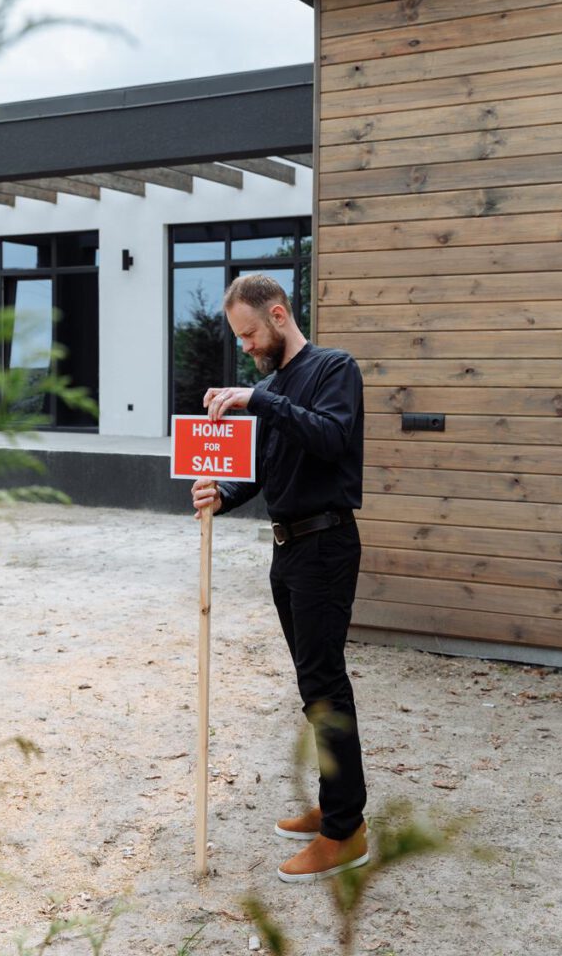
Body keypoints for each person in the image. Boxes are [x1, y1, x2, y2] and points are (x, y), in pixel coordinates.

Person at [190, 273, 368, 884]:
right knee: (312, 685)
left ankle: (347, 831)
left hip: (327, 544)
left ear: (278, 312)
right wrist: (220, 495)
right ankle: (335, 804)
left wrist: (260, 401)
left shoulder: (334, 369)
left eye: (249, 333)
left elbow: (330, 437)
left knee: (325, 684)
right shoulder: (272, 387)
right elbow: (265, 475)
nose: (245, 346)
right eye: (239, 338)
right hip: (287, 550)